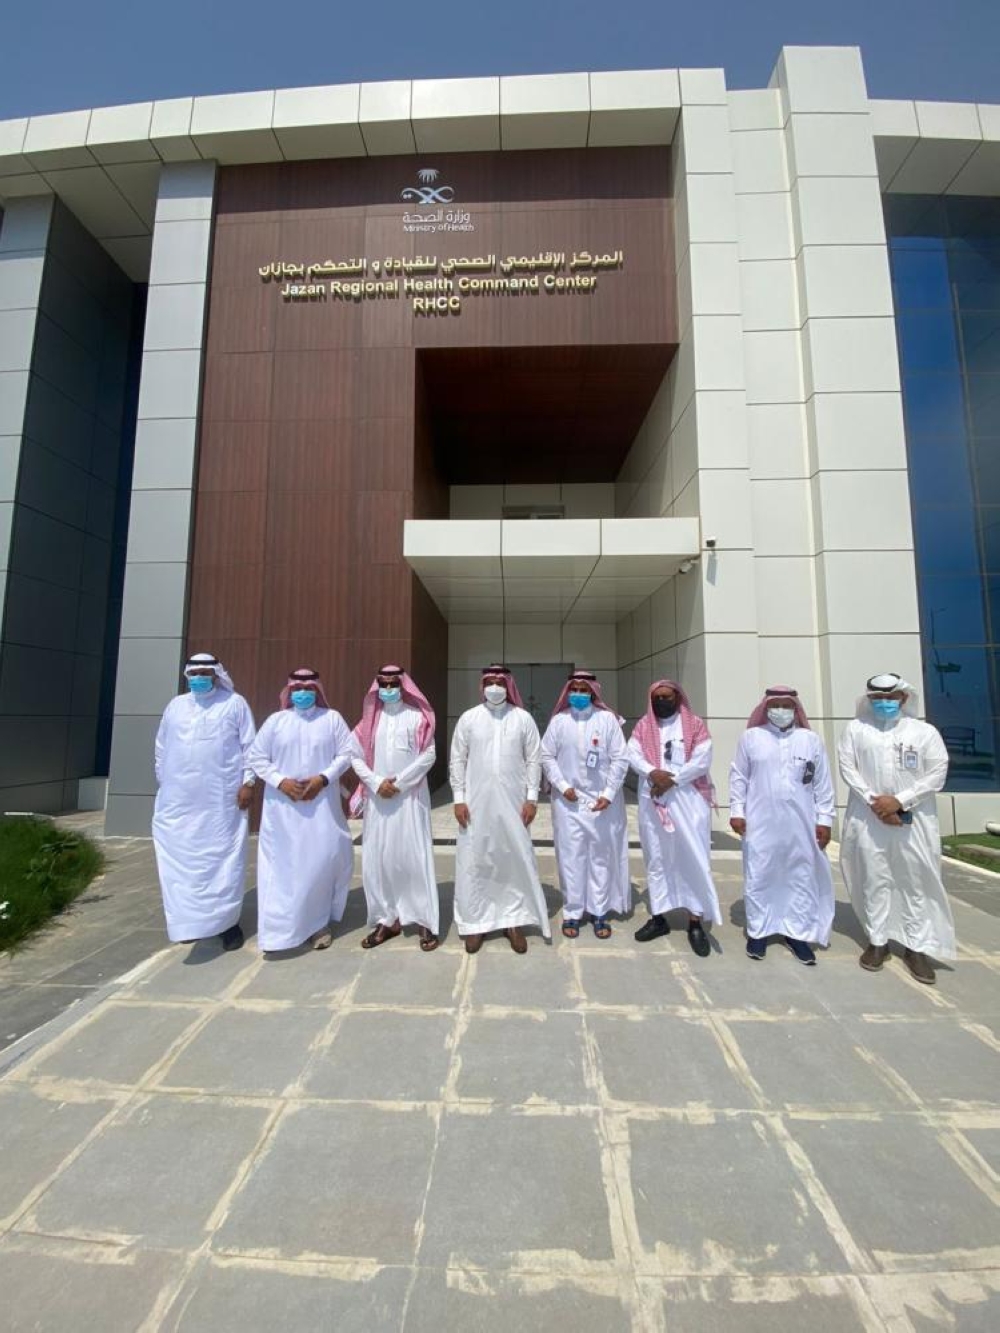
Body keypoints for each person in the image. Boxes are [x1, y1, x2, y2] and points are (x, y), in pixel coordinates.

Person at [837, 672, 955, 985]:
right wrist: (877, 803)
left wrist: (900, 802)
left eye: (890, 697)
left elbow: (936, 773)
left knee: (914, 881)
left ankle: (916, 947)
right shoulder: (856, 729)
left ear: (903, 698)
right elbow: (848, 769)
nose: (884, 703)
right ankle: (878, 941)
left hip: (913, 821)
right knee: (873, 878)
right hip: (868, 818)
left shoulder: (924, 732)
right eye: (878, 698)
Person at [152, 652, 256, 951]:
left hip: (220, 801)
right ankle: (188, 922)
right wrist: (167, 783)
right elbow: (161, 747)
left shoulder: (234, 703)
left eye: (204, 673)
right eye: (193, 673)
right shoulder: (176, 706)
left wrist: (248, 782)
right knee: (179, 862)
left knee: (222, 861)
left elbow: (250, 746)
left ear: (216, 675)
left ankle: (227, 924)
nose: (198, 677)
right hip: (179, 801)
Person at [248, 668, 355, 955]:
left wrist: (323, 778)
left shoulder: (331, 719)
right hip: (283, 809)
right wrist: (280, 781)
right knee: (283, 867)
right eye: (297, 689)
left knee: (321, 862)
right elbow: (256, 756)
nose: (303, 693)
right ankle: (279, 931)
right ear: (289, 692)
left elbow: (347, 753)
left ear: (317, 691)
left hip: (322, 806)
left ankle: (318, 924)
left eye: (308, 688)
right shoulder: (276, 721)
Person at [729, 687, 836, 964]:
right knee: (759, 873)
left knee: (800, 875)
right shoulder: (752, 737)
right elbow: (739, 777)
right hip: (759, 821)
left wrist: (825, 819)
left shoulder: (810, 740)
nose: (780, 710)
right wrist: (737, 811)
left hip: (801, 822)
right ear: (765, 708)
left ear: (795, 708)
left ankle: (797, 933)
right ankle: (758, 931)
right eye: (774, 705)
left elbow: (822, 782)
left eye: (786, 705)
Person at [449, 664, 550, 953]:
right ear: (482, 686)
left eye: (500, 682)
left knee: (513, 858)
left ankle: (513, 921)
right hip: (475, 804)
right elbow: (457, 759)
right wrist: (458, 798)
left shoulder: (522, 719)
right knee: (475, 858)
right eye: (490, 682)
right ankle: (476, 923)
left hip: (514, 803)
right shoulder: (469, 718)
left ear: (508, 686)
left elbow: (534, 759)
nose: (495, 687)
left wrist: (532, 798)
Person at [350, 664, 440, 952]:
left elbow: (429, 755)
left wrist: (399, 783)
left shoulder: (417, 717)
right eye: (383, 684)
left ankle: (423, 919)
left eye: (393, 684)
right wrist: (376, 783)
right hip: (379, 801)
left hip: (410, 798)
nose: (388, 689)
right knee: (380, 859)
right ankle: (387, 920)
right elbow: (354, 756)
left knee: (414, 858)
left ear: (403, 686)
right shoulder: (368, 723)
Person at [628, 679, 720, 957]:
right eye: (657, 698)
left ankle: (695, 921)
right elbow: (632, 753)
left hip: (689, 800)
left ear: (678, 698)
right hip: (653, 798)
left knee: (693, 857)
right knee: (657, 858)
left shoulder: (695, 725)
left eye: (667, 697)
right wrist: (652, 773)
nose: (662, 702)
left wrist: (673, 780)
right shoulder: (644, 725)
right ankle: (659, 917)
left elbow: (702, 759)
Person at [540, 669, 630, 939]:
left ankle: (599, 911)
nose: (578, 694)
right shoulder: (559, 721)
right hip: (568, 802)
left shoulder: (607, 720)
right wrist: (562, 785)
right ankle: (573, 911)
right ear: (568, 692)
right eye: (574, 690)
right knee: (571, 857)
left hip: (602, 802)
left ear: (593, 692)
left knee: (601, 857)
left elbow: (620, 758)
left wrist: (609, 793)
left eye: (584, 690)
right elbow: (546, 755)